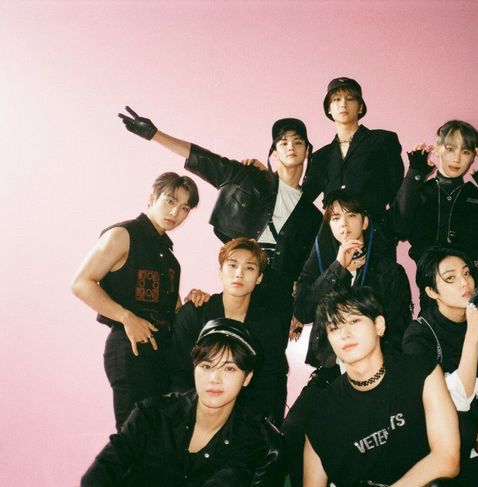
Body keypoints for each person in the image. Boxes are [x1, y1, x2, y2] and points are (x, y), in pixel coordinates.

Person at [119, 107, 322, 341]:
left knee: (272, 357)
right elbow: (203, 160)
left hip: (279, 300)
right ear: (274, 153)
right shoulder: (248, 177)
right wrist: (155, 134)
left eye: (298, 142)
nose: (291, 147)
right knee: (227, 347)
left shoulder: (312, 216)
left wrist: (298, 309)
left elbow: (305, 271)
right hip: (240, 282)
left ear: (307, 150)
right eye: (283, 143)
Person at [283, 189, 413, 485]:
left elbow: (398, 330)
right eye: (335, 218)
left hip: (376, 372)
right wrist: (337, 269)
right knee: (293, 429)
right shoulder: (319, 265)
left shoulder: (389, 271)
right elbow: (302, 310)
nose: (343, 224)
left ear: (365, 222)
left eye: (351, 215)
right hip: (331, 371)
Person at [82, 318, 284, 486]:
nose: (215, 378)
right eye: (206, 366)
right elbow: (98, 475)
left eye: (229, 369)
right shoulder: (152, 415)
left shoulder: (256, 441)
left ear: (247, 377)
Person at [71, 172, 202, 429]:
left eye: (184, 208)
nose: (175, 212)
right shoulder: (123, 235)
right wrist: (126, 317)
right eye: (170, 201)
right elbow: (81, 283)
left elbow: (174, 312)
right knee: (132, 439)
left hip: (163, 357)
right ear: (152, 198)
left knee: (158, 441)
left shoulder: (169, 258)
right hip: (130, 350)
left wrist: (194, 300)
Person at [304, 287, 460, 487]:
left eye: (354, 321)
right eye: (334, 328)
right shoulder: (320, 411)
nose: (344, 334)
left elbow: (447, 459)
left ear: (379, 325)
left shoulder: (420, 371)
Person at [403, 247, 478, 486]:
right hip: (439, 427)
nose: (464, 283)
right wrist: (472, 338)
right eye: (450, 278)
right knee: (463, 432)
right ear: (431, 291)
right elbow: (458, 400)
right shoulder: (419, 335)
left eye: (466, 273)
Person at [171, 237, 291, 425]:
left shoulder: (270, 322)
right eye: (232, 265)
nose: (239, 274)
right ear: (220, 271)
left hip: (249, 417)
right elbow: (180, 373)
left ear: (259, 277)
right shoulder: (194, 314)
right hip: (195, 412)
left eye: (249, 268)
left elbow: (269, 377)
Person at [302, 77, 404, 258]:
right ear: (329, 109)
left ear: (360, 107)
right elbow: (303, 198)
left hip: (376, 235)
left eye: (350, 98)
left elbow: (397, 191)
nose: (343, 104)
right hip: (335, 238)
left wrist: (390, 230)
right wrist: (268, 175)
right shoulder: (321, 156)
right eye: (336, 99)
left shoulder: (382, 141)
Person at [392, 120, 478, 267]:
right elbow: (398, 228)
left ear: (473, 157)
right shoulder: (420, 192)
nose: (457, 159)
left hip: (470, 276)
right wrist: (415, 173)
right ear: (437, 148)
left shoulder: (476, 196)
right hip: (429, 276)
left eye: (465, 152)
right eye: (450, 149)